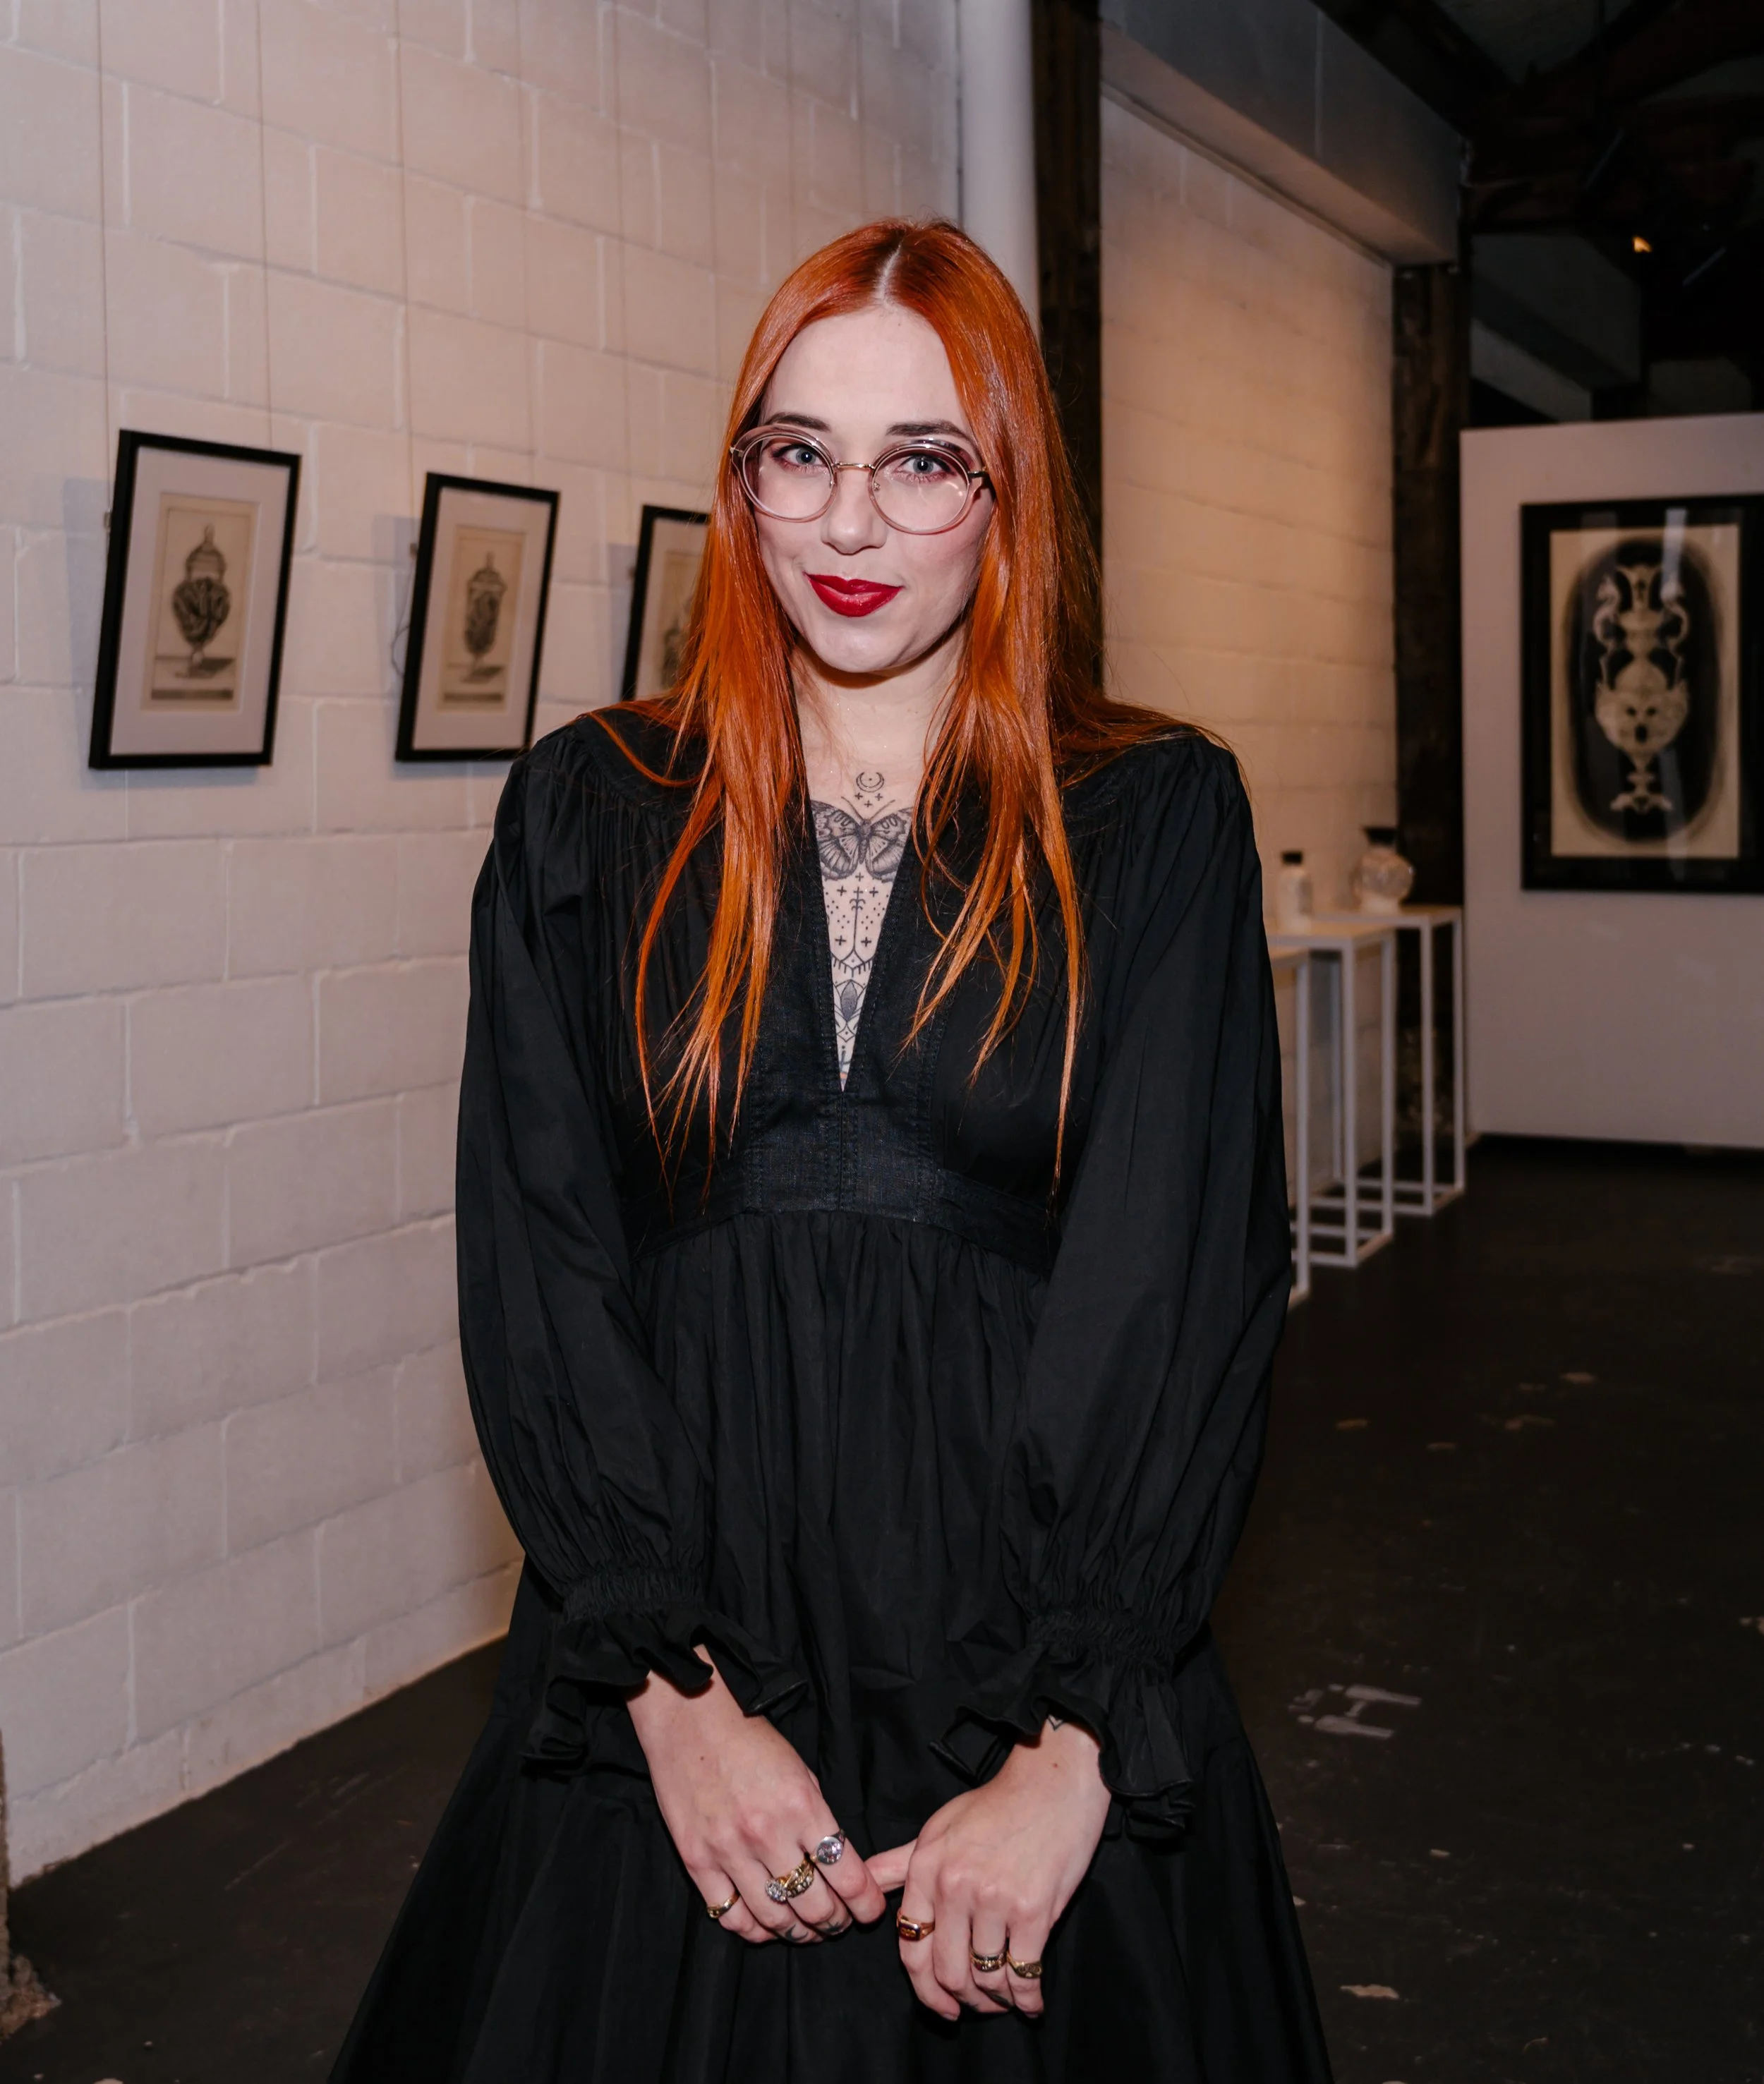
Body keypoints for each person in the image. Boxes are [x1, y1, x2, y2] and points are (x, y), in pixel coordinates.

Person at [332, 217, 1332, 2083]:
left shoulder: (1148, 816)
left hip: (1027, 1651)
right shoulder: (586, 812)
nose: (849, 524)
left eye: (920, 462)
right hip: (687, 1656)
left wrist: (1069, 1753)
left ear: (1006, 492)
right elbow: (538, 1264)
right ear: (741, 484)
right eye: (798, 453)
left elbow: (1180, 1286)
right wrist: (673, 1702)